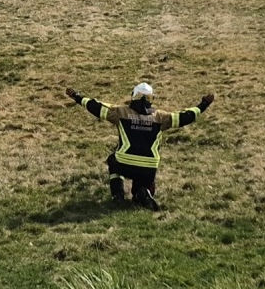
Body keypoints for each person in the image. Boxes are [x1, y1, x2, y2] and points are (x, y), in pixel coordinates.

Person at [65, 82, 214, 210]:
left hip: (124, 162)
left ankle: (118, 196)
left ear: (133, 96)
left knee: (112, 161)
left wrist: (77, 97)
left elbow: (96, 107)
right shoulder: (160, 117)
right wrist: (203, 105)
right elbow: (185, 117)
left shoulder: (120, 113)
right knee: (141, 185)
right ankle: (142, 193)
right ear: (151, 99)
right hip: (148, 167)